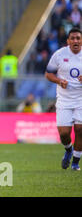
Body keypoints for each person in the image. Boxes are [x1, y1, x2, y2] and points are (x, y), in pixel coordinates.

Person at [45, 27, 82, 171]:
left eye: (78, 38)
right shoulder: (59, 54)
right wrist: (59, 81)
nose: (75, 41)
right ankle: (68, 150)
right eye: (72, 38)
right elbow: (48, 74)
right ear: (68, 41)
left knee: (80, 129)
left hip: (80, 99)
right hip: (64, 99)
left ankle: (75, 163)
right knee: (64, 133)